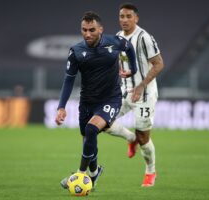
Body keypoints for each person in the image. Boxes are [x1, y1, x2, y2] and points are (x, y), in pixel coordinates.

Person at [55, 11, 137, 190]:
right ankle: (94, 172)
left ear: (101, 29)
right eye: (84, 30)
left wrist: (134, 69)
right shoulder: (76, 51)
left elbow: (129, 47)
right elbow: (69, 79)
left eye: (92, 30)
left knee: (92, 129)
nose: (87, 34)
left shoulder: (114, 43)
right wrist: (61, 107)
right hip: (87, 102)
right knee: (88, 141)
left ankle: (80, 174)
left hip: (111, 98)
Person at [106, 3, 164, 187]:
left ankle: (150, 171)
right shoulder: (117, 37)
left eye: (128, 16)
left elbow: (158, 64)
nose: (124, 19)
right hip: (124, 91)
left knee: (144, 138)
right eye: (122, 16)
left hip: (144, 93)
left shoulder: (144, 38)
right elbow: (118, 62)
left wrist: (141, 85)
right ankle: (131, 139)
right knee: (103, 121)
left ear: (136, 18)